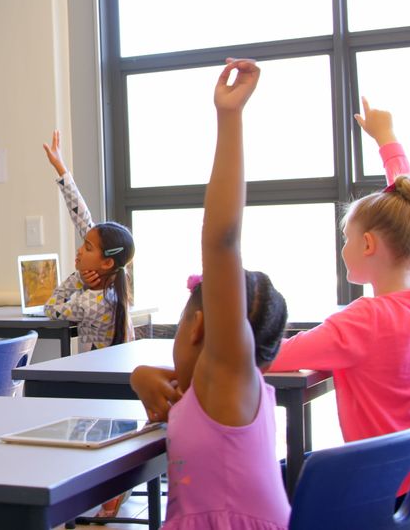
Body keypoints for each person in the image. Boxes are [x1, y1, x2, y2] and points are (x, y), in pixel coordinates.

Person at [130, 58, 291, 528]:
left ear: (200, 325)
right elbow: (167, 381)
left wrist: (229, 116)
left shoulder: (228, 378)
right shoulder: (220, 392)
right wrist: (139, 376)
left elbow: (221, 242)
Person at [267, 97, 410, 496]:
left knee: (278, 480)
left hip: (380, 492)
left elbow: (273, 358)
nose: (343, 248)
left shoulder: (362, 321)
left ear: (367, 244)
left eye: (346, 239)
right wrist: (387, 140)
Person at [40, 130, 135, 351]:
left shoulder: (88, 302)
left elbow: (50, 308)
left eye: (87, 247)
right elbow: (83, 220)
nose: (80, 250)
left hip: (94, 371)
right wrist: (60, 168)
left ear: (107, 262)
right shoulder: (114, 292)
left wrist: (78, 279)